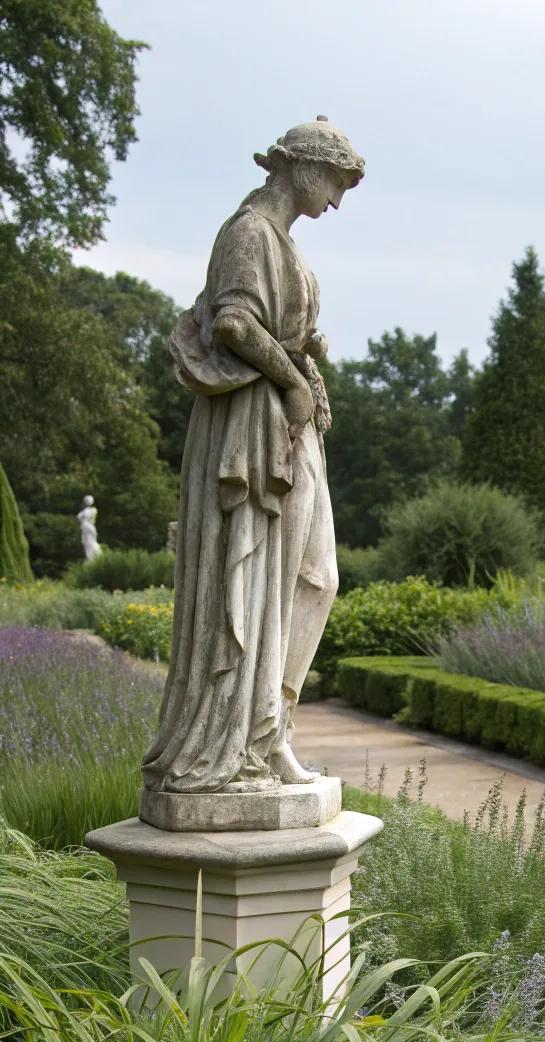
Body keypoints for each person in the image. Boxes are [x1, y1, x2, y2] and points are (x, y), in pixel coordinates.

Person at [143, 117, 364, 794]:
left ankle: (271, 729)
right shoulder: (248, 232)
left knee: (313, 577)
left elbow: (265, 325)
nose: (337, 199)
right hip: (254, 424)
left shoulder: (281, 242)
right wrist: (295, 379)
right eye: (336, 181)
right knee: (267, 582)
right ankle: (251, 739)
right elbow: (234, 323)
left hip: (287, 425)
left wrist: (304, 355)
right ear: (301, 166)